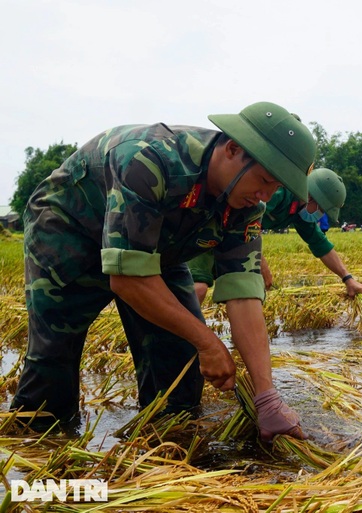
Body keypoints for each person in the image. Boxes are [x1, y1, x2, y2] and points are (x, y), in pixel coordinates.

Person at [10, 101, 313, 442]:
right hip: (70, 232)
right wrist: (209, 343)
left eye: (275, 189)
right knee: (54, 359)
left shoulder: (245, 206)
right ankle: (39, 451)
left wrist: (266, 398)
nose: (265, 196)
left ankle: (160, 451)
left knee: (180, 367)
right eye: (264, 180)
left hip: (154, 250)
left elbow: (244, 296)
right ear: (232, 149)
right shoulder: (149, 159)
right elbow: (128, 279)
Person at [189, 167, 362, 302]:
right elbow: (244, 218)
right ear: (311, 197)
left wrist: (348, 278)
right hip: (214, 225)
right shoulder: (279, 192)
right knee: (198, 287)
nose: (320, 215)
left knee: (245, 293)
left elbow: (321, 245)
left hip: (233, 240)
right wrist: (260, 264)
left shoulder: (300, 212)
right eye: (321, 210)